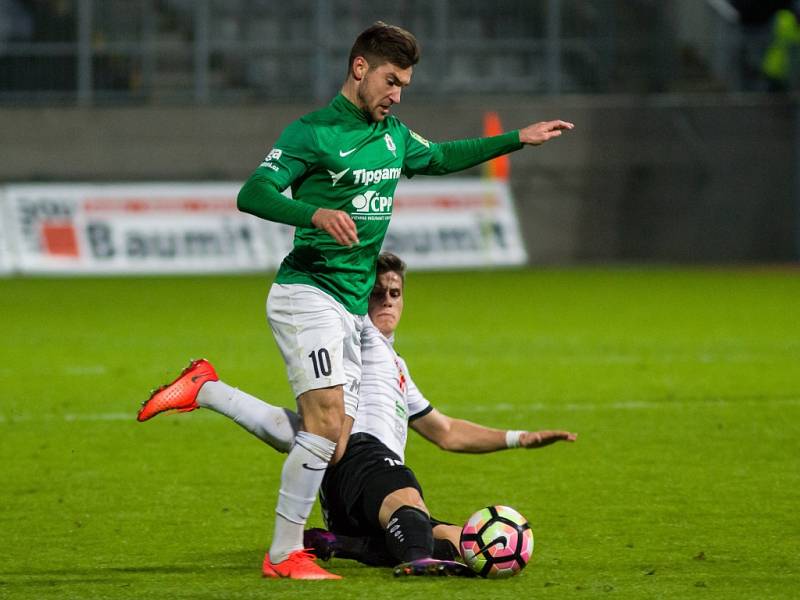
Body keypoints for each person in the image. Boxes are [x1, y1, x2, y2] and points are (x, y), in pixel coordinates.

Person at [140, 21, 574, 580]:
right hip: (308, 291)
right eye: (391, 81)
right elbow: (254, 193)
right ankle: (283, 554)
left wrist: (517, 137)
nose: (396, 96)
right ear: (359, 68)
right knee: (323, 427)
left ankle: (207, 388)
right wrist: (313, 213)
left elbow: (441, 156)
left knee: (335, 440)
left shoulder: (393, 137)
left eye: (405, 87)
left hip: (347, 306)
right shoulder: (312, 133)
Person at [138, 253, 577, 577]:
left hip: (348, 481)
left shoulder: (395, 364)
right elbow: (343, 291)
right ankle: (416, 561)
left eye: (395, 293)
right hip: (368, 457)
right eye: (377, 292)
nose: (386, 300)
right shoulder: (356, 331)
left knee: (453, 536)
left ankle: (337, 542)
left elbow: (445, 432)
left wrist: (520, 438)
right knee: (410, 508)